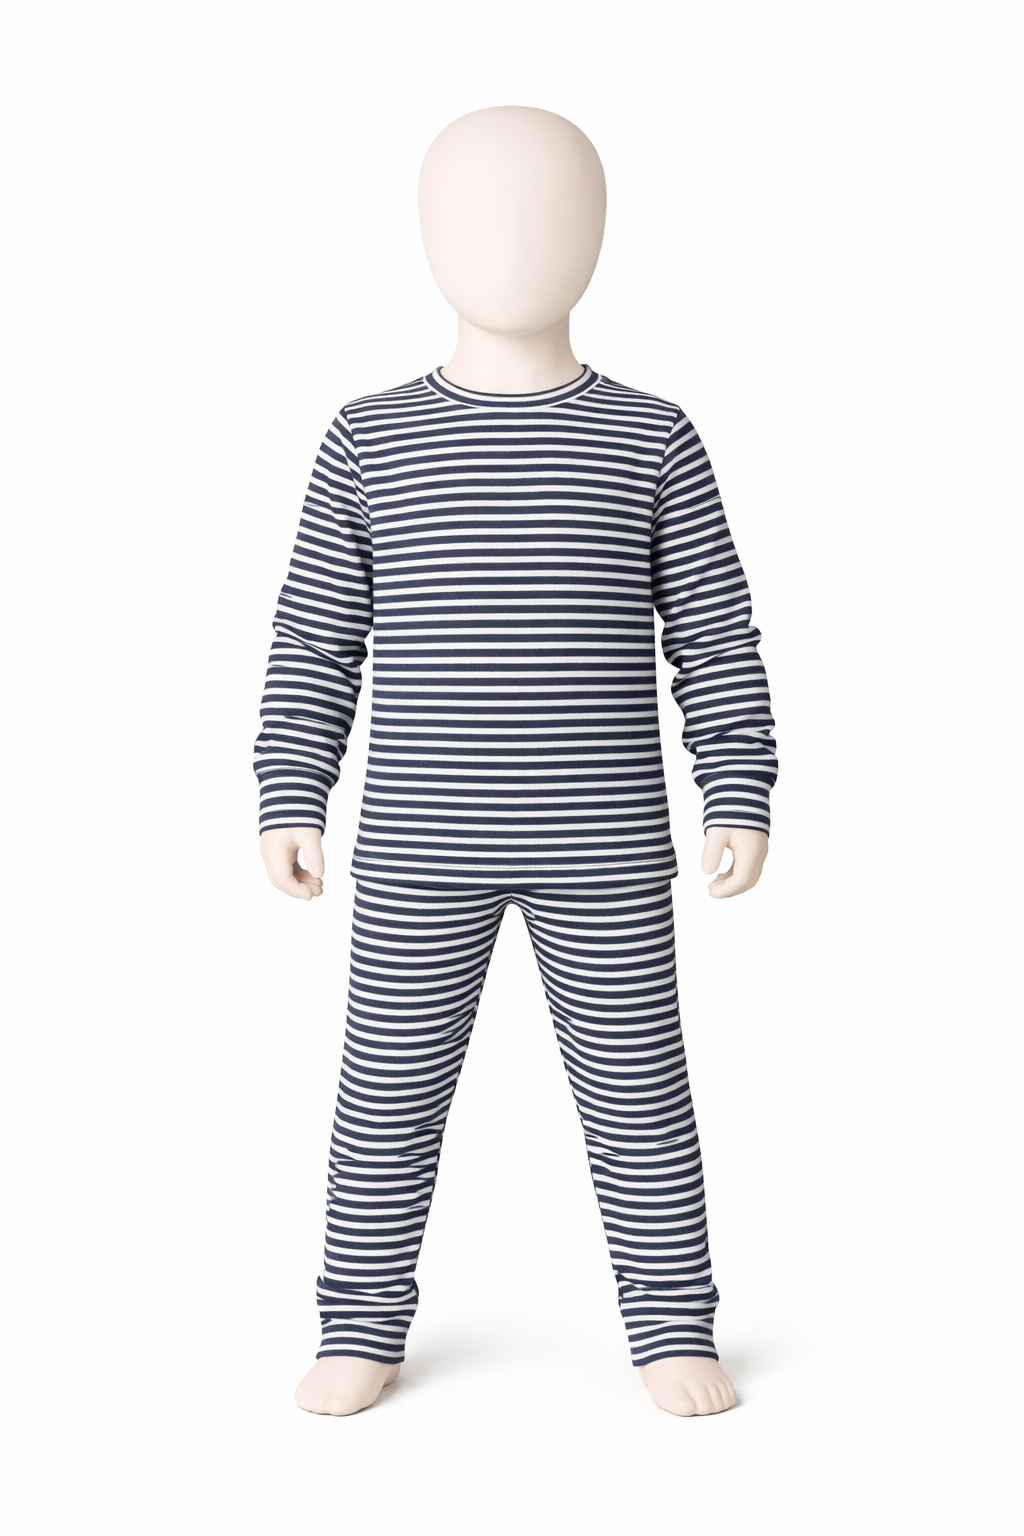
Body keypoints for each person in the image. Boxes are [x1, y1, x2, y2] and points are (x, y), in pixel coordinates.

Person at [255, 106, 777, 1417]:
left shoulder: (652, 437)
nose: (513, 244)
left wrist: (739, 787)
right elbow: (317, 631)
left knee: (640, 1092)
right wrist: (290, 789)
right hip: (420, 841)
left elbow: (714, 629)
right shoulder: (368, 436)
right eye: (477, 216)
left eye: (549, 214)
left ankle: (672, 1327)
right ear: (425, 236)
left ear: (599, 236)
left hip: (603, 841)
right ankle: (359, 1325)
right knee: (386, 1094)